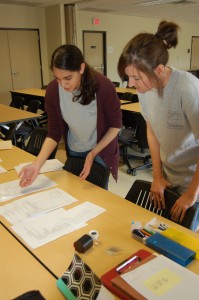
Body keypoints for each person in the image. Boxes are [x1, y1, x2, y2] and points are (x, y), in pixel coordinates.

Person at [117, 20, 199, 231]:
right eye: (128, 77)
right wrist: (157, 176)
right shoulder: (146, 90)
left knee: (187, 243)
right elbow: (152, 131)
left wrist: (191, 193)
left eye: (136, 77)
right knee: (165, 234)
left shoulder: (187, 89)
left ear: (159, 70)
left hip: (195, 182)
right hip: (172, 176)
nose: (131, 84)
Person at [19, 44, 122, 189]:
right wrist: (37, 165)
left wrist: (93, 153)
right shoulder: (53, 91)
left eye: (68, 78)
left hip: (100, 150)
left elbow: (115, 125)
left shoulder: (103, 86)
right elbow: (54, 133)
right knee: (75, 190)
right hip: (75, 148)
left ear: (81, 68)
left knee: (97, 195)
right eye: (58, 78)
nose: (63, 84)